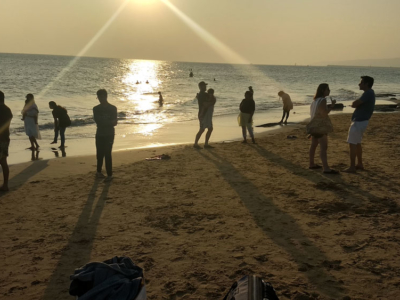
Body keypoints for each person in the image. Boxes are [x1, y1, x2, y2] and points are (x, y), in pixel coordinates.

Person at [344, 76, 375, 173]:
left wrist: (355, 103)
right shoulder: (369, 93)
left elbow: (355, 104)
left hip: (359, 121)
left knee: (352, 144)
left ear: (366, 84)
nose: (359, 84)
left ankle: (352, 166)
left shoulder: (368, 93)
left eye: (361, 82)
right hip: (362, 121)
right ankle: (359, 164)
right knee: (357, 143)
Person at [308, 84, 338, 174]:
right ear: (322, 90)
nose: (329, 91)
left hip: (313, 125)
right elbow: (323, 114)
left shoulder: (314, 101)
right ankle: (326, 168)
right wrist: (332, 106)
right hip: (320, 126)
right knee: (323, 147)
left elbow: (316, 113)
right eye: (327, 89)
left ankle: (311, 163)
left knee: (313, 145)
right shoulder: (322, 100)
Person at [93, 89, 118, 181]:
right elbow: (98, 121)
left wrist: (105, 122)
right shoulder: (96, 108)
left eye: (102, 96)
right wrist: (109, 122)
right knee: (99, 153)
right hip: (100, 133)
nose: (100, 99)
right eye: (99, 97)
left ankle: (109, 174)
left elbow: (115, 122)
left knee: (107, 153)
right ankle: (98, 172)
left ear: (106, 96)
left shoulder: (112, 108)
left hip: (109, 134)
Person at [194, 81, 214, 149]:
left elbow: (211, 98)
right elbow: (205, 104)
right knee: (202, 129)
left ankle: (206, 144)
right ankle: (196, 144)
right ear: (200, 87)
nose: (205, 87)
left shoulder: (204, 94)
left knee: (210, 128)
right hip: (203, 114)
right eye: (204, 86)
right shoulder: (202, 95)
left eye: (205, 86)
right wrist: (211, 103)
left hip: (206, 114)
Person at [0, 91, 13, 191]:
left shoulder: (2, 109)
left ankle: (5, 185)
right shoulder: (7, 109)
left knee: (3, 161)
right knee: (3, 161)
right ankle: (5, 184)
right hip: (5, 138)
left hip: (2, 138)